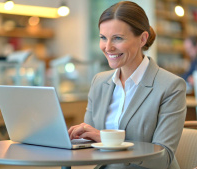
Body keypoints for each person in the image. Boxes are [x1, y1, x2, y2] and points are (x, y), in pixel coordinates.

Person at [68, 1, 186, 169]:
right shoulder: (99, 82)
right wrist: (77, 137)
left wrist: (108, 141)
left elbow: (163, 158)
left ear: (143, 39)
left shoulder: (171, 86)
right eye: (103, 37)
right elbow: (89, 143)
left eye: (117, 38)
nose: (108, 47)